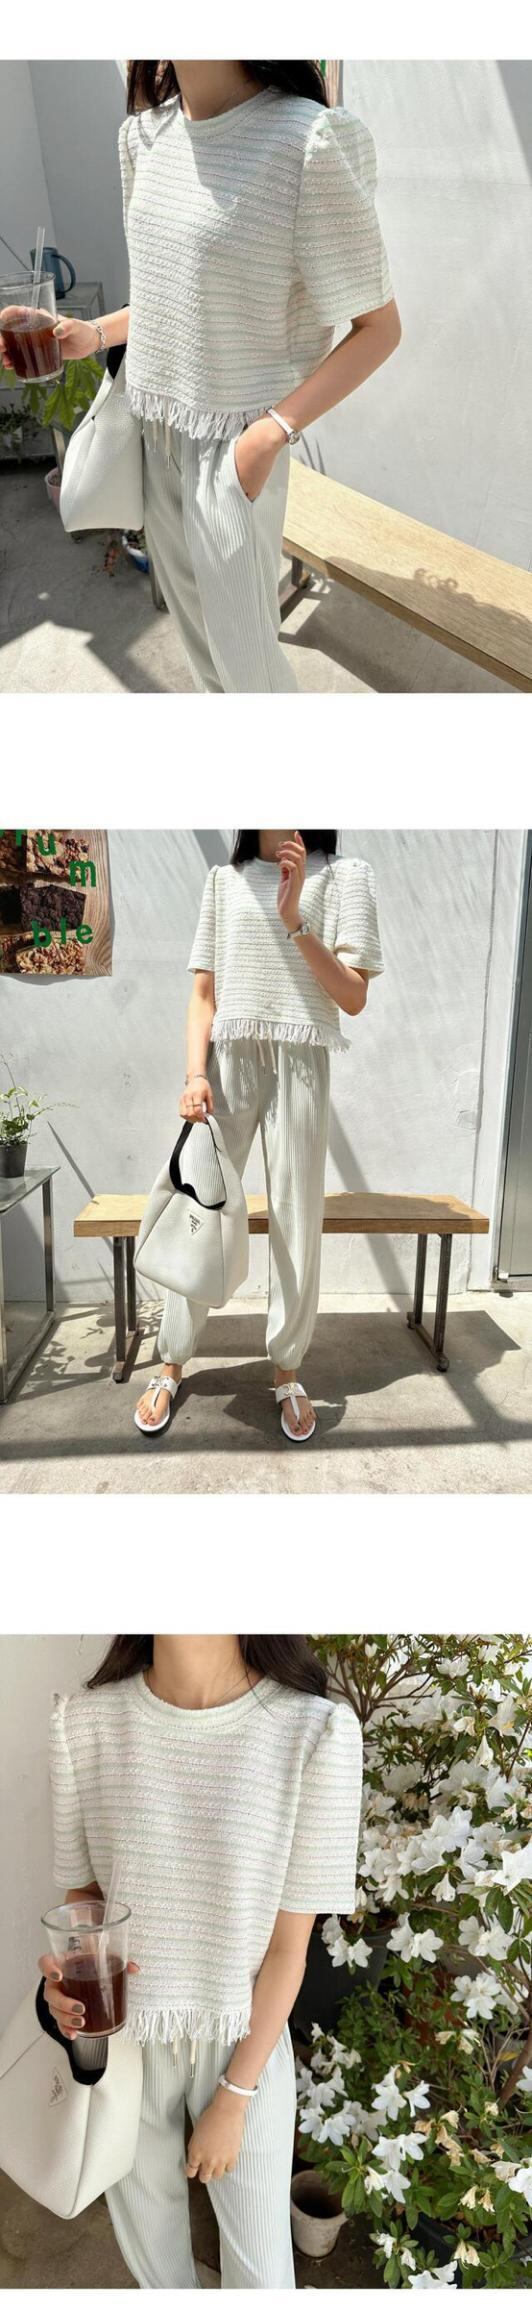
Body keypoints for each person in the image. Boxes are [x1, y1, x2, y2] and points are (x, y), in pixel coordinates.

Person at [1, 63, 399, 697]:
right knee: (203, 660)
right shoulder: (143, 138)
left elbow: (379, 328)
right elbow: (176, 299)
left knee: (248, 672)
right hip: (154, 431)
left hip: (233, 451)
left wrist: (267, 435)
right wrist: (93, 334)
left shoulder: (305, 142)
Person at [37, 1635, 362, 2292]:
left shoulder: (314, 1732)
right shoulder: (82, 1724)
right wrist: (67, 1984)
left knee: (261, 2278)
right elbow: (85, 1903)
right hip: (125, 2038)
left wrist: (235, 2099)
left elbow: (288, 1949)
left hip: (243, 2038)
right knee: (156, 2266)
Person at [135, 829, 383, 1444]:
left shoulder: (346, 876)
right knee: (200, 1208)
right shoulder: (225, 881)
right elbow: (203, 995)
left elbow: (353, 997)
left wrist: (296, 921)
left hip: (302, 1060)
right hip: (229, 1064)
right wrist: (195, 1074)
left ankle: (288, 1372)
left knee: (296, 1217)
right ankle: (171, 1363)